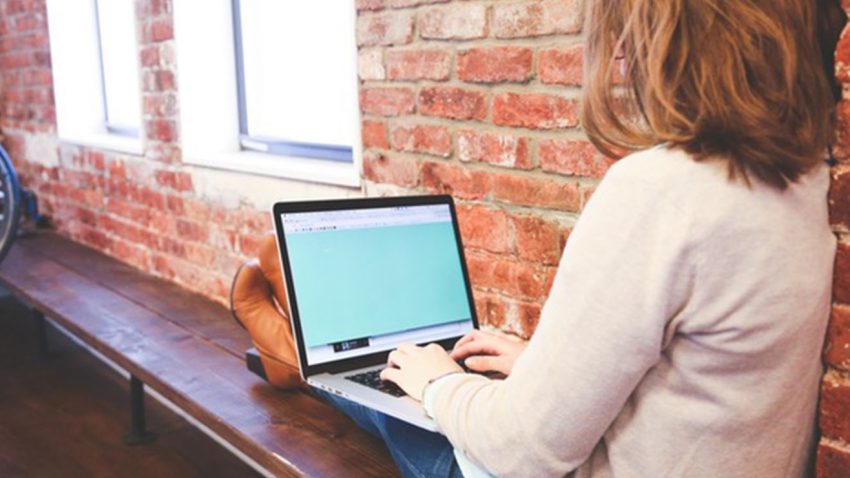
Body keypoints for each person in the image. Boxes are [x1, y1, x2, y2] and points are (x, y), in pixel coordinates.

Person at [232, 1, 846, 476]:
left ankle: (293, 354)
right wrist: (543, 370)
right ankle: (309, 353)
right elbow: (699, 382)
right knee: (425, 374)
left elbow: (523, 455)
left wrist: (439, 381)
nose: (622, 53)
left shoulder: (662, 191)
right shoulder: (804, 182)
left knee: (395, 398)